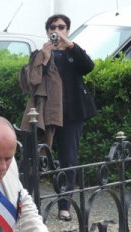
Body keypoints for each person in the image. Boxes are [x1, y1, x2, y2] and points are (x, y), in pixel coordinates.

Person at [20, 14, 96, 221]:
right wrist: (43, 58)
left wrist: (70, 45)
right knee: (34, 158)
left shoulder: (74, 52)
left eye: (62, 27)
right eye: (53, 27)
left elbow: (88, 67)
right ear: (47, 31)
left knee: (68, 160)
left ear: (68, 30)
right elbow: (31, 82)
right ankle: (27, 205)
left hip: (72, 115)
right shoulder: (40, 53)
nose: (57, 30)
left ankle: (65, 206)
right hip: (45, 115)